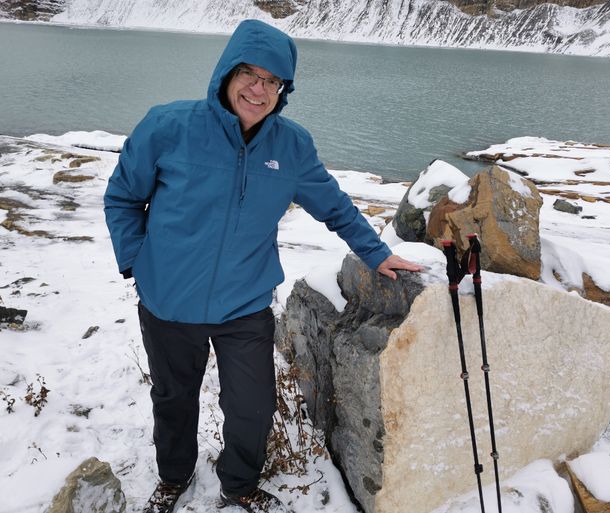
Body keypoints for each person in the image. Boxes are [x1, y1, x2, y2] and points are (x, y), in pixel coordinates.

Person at [104, 19, 421, 513]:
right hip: (168, 300)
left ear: (283, 91)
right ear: (226, 74)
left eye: (272, 81)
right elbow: (123, 197)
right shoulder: (168, 127)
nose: (259, 89)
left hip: (244, 303)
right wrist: (136, 261)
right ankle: (173, 477)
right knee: (174, 400)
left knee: (252, 408)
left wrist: (377, 253)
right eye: (249, 75)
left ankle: (238, 484)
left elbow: (334, 206)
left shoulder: (291, 147)